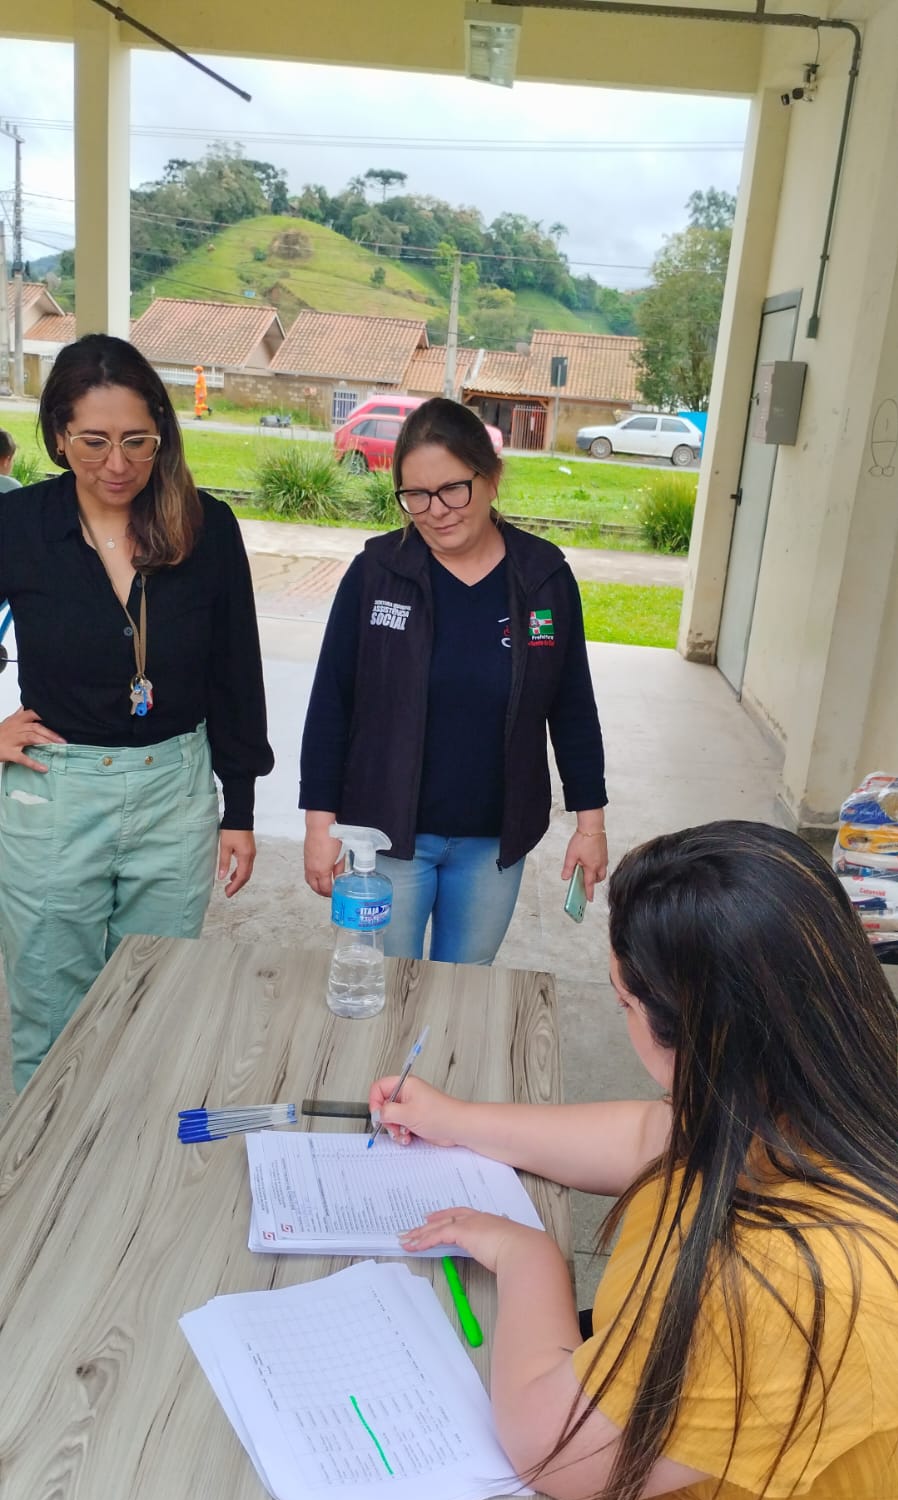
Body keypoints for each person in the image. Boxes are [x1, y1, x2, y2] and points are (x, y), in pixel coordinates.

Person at [370, 821, 898, 1500]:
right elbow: (648, 1134)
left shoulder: (795, 1277)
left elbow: (551, 1448)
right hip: (680, 1469)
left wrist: (530, 1257)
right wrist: (455, 1119)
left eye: (622, 999)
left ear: (701, 1036)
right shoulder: (818, 1092)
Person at [0, 333, 273, 1092]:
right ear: (58, 434)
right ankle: (44, 1189)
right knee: (51, 1013)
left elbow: (235, 671)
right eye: (92, 441)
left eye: (135, 441)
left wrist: (239, 807)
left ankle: (128, 1184)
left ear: (162, 431)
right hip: (55, 790)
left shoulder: (206, 525)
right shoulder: (20, 527)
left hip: (173, 790)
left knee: (152, 1001)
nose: (116, 465)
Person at [300, 397, 607, 965]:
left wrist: (591, 825)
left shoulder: (543, 578)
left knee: (464, 990)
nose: (435, 509)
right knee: (387, 985)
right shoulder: (377, 574)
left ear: (491, 478)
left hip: (492, 843)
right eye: (415, 494)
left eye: (452, 489)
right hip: (388, 838)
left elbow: (572, 707)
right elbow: (331, 704)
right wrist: (321, 825)